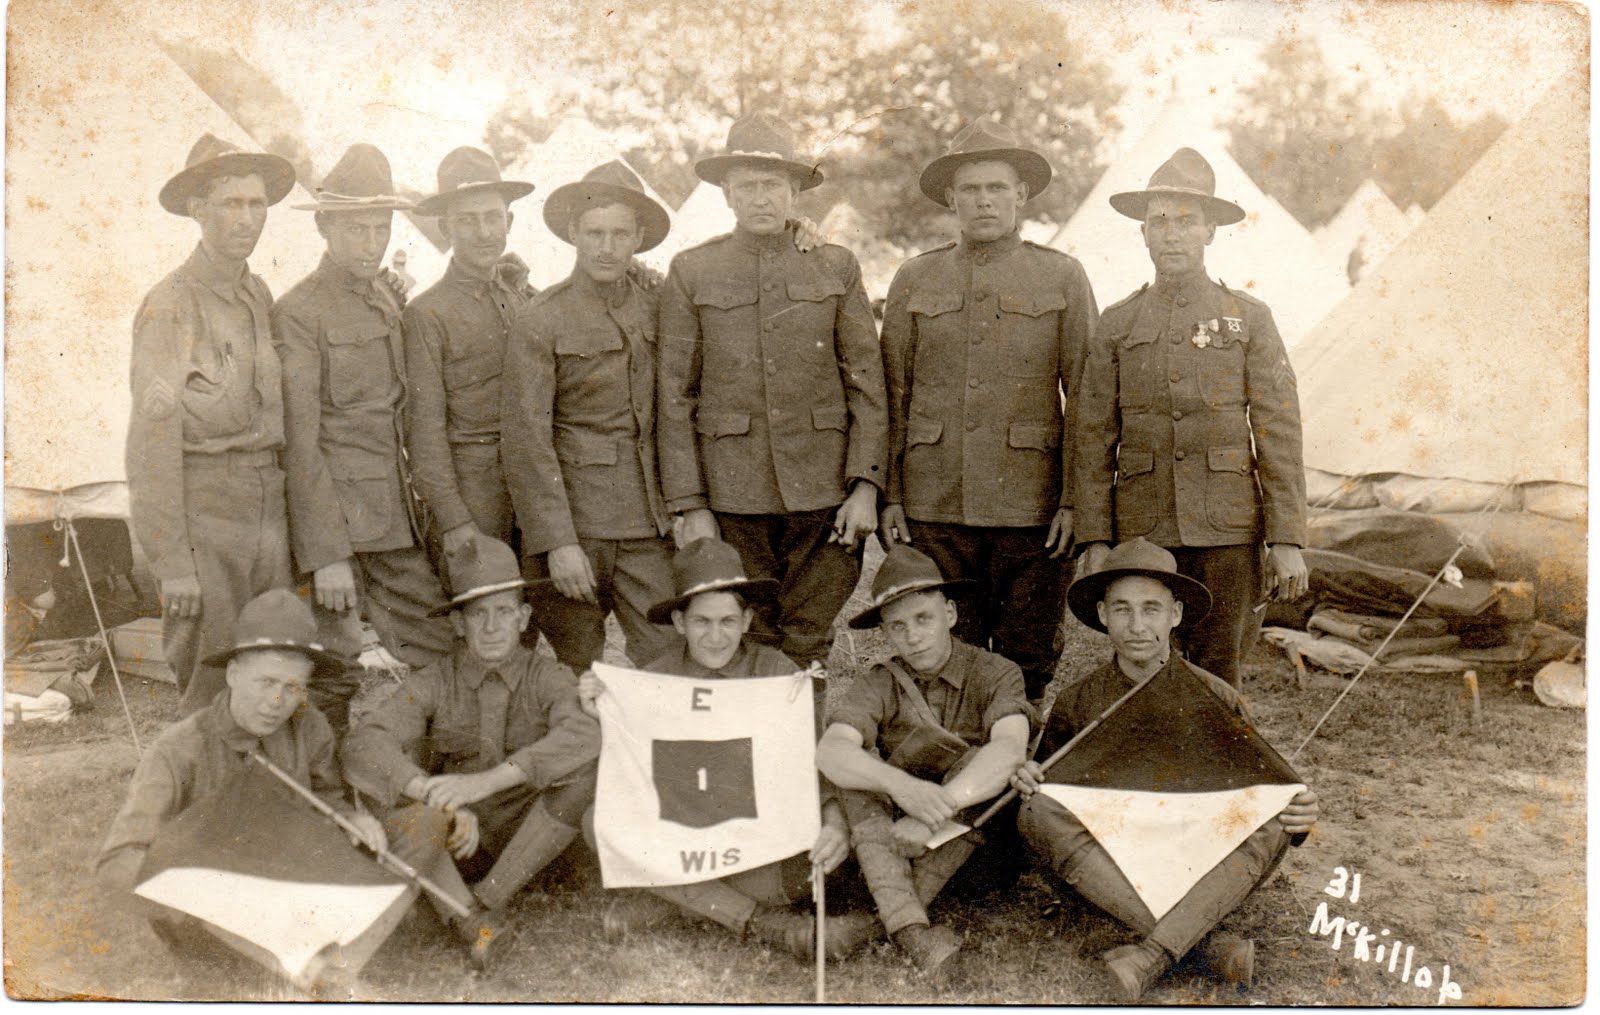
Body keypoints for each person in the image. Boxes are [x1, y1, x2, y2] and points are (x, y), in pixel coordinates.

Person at [1010, 537, 1319, 1001]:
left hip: (1194, 850)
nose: (1137, 626)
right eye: (1122, 610)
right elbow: (1051, 789)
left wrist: (1300, 810)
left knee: (1274, 816)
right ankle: (1204, 944)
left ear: (1175, 614)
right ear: (1102, 614)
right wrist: (1030, 779)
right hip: (1115, 856)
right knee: (1036, 810)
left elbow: (1261, 787)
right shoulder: (1078, 700)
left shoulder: (1216, 695)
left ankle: (1151, 954)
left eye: (1151, 609)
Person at [94, 590, 421, 986]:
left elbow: (326, 797)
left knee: (424, 826)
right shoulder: (178, 749)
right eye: (265, 682)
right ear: (233, 674)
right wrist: (196, 890)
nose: (276, 701)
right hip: (217, 914)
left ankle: (325, 963)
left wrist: (352, 817)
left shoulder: (309, 726)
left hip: (290, 883)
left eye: (293, 687)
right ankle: (318, 969)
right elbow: (117, 863)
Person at [656, 111, 888, 669]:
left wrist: (865, 486)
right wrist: (690, 504)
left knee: (809, 635)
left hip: (824, 492)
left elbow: (866, 384)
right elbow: (675, 395)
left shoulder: (834, 265)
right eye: (747, 187)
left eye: (773, 185)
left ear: (794, 193)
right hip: (732, 492)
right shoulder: (693, 270)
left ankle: (806, 726)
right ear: (727, 195)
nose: (761, 198)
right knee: (748, 635)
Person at [879, 117, 1098, 706]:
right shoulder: (916, 276)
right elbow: (891, 395)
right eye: (970, 189)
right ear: (951, 198)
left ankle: (1017, 750)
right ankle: (955, 755)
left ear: (1021, 195)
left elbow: (1087, 395)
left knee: (1028, 652)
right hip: (934, 500)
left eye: (997, 188)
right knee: (948, 650)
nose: (983, 200)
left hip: (1031, 503)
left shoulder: (1061, 275)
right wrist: (892, 495)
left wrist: (1074, 501)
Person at [1073, 147, 1308, 687]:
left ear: (1210, 232)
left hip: (1228, 529)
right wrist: (1096, 538)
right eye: (1159, 222)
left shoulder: (1248, 318)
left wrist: (1287, 539)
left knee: (1219, 669)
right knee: (1142, 663)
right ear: (1143, 234)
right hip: (1143, 528)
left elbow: (1278, 432)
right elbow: (1092, 437)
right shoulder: (1118, 322)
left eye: (1186, 222)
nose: (1172, 234)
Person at [576, 537, 877, 959]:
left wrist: (833, 823)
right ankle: (765, 923)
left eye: (728, 621)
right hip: (687, 830)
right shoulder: (655, 677)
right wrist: (603, 711)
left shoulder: (776, 672)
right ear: (679, 622)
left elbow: (811, 763)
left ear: (747, 619)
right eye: (701, 622)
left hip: (759, 835)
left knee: (815, 858)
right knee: (597, 821)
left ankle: (674, 903)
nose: (715, 637)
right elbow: (632, 774)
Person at [340, 534, 599, 963]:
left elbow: (585, 734)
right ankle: (466, 912)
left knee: (585, 771)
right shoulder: (434, 679)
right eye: (479, 614)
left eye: (504, 612)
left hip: (529, 837)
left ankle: (481, 905)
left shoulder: (549, 676)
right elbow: (365, 742)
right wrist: (433, 794)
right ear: (459, 624)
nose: (492, 627)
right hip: (458, 839)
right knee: (386, 785)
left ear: (523, 618)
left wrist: (485, 783)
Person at [272, 143, 453, 729]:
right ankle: (318, 776)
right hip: (339, 525)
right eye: (356, 229)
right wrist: (326, 554)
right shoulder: (299, 312)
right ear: (325, 227)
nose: (371, 242)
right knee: (336, 667)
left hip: (394, 518)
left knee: (437, 647)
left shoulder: (385, 298)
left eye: (381, 228)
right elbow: (302, 442)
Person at [127, 134, 297, 714]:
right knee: (211, 677)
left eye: (257, 204)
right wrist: (173, 565)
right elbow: (150, 450)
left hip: (266, 509)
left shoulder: (257, 294)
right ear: (198, 210)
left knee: (270, 664)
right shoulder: (170, 306)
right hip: (206, 514)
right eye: (231, 203)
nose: (247, 218)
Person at [816, 546, 1032, 977]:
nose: (912, 636)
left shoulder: (996, 671)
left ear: (949, 614)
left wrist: (933, 812)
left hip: (977, 848)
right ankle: (911, 932)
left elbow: (1009, 748)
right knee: (856, 773)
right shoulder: (878, 681)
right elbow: (832, 751)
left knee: (984, 762)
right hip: (898, 842)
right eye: (897, 626)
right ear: (885, 633)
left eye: (923, 618)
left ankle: (878, 921)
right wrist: (903, 787)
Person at [501, 160, 677, 673]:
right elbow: (527, 441)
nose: (606, 247)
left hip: (646, 526)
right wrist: (557, 542)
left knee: (668, 660)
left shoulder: (658, 306)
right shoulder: (542, 317)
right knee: (580, 670)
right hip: (576, 528)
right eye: (595, 233)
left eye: (620, 234)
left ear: (638, 238)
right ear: (573, 232)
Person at [403, 147, 538, 565]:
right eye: (467, 220)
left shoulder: (524, 298)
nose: (483, 232)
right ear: (446, 228)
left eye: (492, 217)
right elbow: (425, 431)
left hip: (532, 491)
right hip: (474, 497)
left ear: (509, 222)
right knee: (484, 597)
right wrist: (454, 519)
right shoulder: (427, 314)